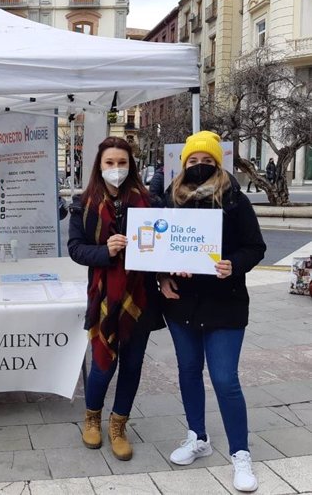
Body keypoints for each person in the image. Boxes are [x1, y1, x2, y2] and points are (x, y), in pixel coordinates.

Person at [157, 131, 265, 493]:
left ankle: (240, 452)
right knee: (188, 371)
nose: (199, 167)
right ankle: (197, 436)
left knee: (224, 378)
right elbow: (160, 249)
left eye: (206, 161)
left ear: (217, 163)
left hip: (225, 303)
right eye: (193, 161)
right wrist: (163, 277)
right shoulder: (171, 199)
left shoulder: (235, 200)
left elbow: (256, 247)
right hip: (182, 303)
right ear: (183, 163)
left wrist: (234, 264)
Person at [68, 136, 163, 461]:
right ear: (100, 166)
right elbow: (75, 249)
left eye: (122, 163)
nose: (116, 170)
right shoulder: (83, 204)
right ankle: (92, 417)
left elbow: (164, 248)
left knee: (133, 365)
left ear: (131, 165)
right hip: (104, 297)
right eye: (110, 163)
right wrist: (105, 252)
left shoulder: (149, 202)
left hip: (140, 298)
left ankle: (118, 424)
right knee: (103, 365)